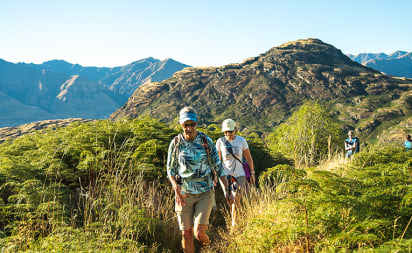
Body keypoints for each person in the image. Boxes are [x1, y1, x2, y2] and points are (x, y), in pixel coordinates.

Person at [167, 107, 231, 253]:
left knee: (199, 233)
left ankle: (209, 249)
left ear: (196, 123)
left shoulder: (205, 141)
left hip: (205, 192)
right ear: (180, 124)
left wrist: (227, 190)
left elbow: (218, 167)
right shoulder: (176, 143)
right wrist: (175, 186)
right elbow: (170, 169)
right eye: (185, 125)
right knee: (186, 234)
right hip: (184, 193)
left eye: (192, 124)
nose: (189, 128)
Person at [215, 119, 255, 227]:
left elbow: (248, 158)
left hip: (239, 174)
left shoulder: (241, 141)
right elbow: (218, 160)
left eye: (230, 131)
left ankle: (234, 225)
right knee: (230, 200)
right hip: (225, 175)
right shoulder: (220, 142)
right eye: (226, 132)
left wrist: (252, 173)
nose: (228, 134)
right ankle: (239, 218)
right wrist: (215, 175)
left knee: (235, 198)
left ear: (235, 130)